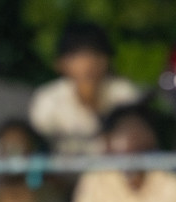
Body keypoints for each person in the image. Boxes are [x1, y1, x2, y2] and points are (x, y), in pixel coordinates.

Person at [28, 22, 143, 156]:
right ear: (60, 63)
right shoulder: (47, 98)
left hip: (113, 172)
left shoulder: (124, 93)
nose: (88, 63)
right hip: (63, 173)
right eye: (78, 56)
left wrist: (94, 105)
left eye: (95, 54)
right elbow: (39, 139)